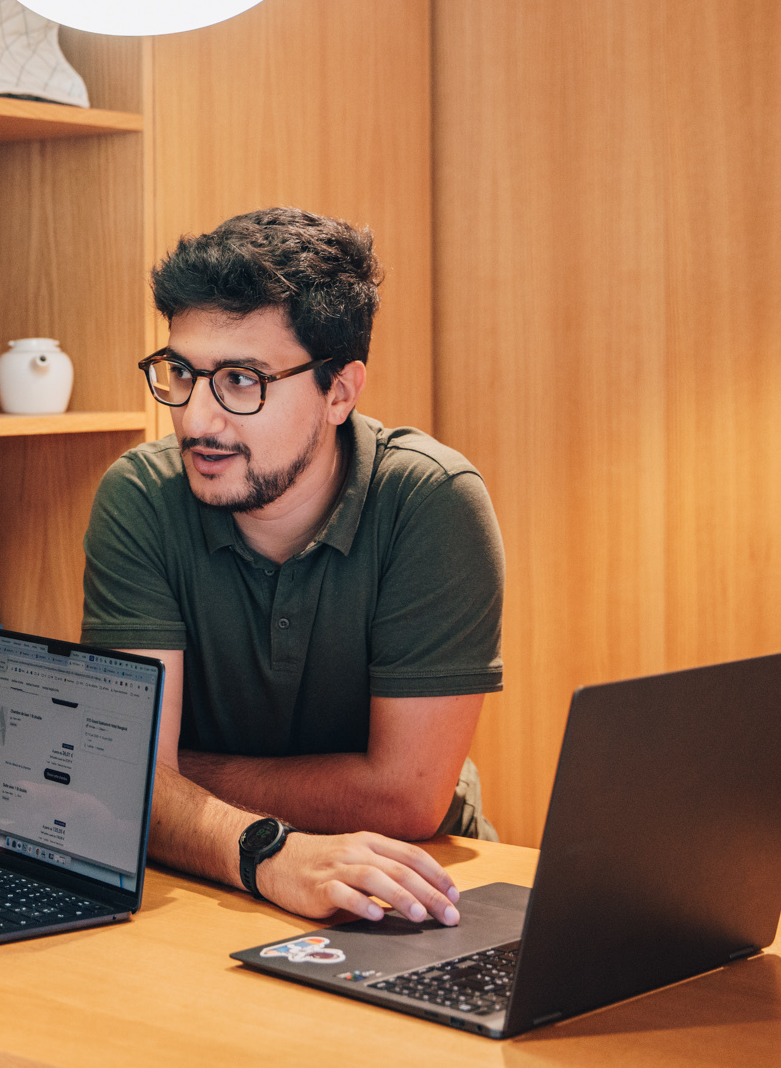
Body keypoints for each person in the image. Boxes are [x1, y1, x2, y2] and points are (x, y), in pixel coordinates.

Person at [80, 208, 504, 927]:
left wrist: (176, 774)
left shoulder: (432, 502)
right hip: (211, 877)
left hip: (412, 880)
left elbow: (406, 797)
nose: (197, 420)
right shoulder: (141, 498)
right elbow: (129, 784)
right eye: (182, 371)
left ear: (340, 391)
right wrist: (262, 849)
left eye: (242, 380)